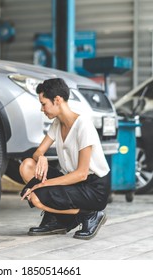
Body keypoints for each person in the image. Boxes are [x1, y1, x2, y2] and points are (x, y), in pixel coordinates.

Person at [19, 78, 111, 240]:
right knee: (27, 166)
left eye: (44, 104)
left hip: (93, 187)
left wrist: (42, 184)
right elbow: (38, 152)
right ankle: (58, 221)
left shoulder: (83, 125)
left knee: (37, 197)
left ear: (57, 100)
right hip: (74, 182)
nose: (42, 109)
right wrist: (42, 158)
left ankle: (91, 215)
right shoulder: (57, 123)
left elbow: (82, 173)